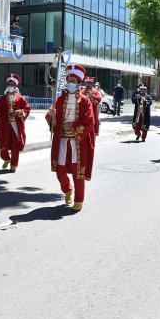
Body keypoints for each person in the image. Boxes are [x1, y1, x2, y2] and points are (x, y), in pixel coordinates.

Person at [45, 64, 95, 212]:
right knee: (60, 169)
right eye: (69, 80)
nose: (71, 83)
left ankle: (79, 199)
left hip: (78, 141)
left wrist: (72, 127)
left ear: (78, 83)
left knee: (77, 170)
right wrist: (51, 115)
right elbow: (51, 118)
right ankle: (67, 189)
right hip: (61, 139)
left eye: (73, 80)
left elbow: (89, 121)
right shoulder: (59, 99)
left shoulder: (85, 101)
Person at [0, 73, 30, 172]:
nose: (10, 86)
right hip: (4, 125)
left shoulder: (20, 98)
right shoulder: (2, 99)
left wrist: (19, 112)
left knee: (15, 145)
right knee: (3, 143)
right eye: (8, 84)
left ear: (15, 86)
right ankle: (6, 159)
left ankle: (14, 164)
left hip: (15, 125)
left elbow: (27, 108)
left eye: (12, 85)